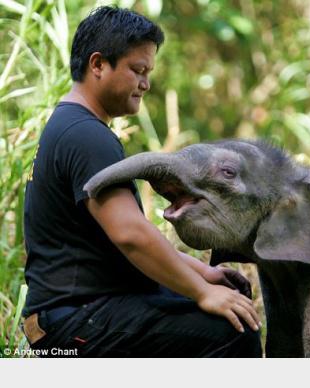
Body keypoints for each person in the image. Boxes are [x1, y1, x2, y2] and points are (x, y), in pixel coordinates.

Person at [22, 6, 262, 357]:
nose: (146, 84)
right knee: (230, 331)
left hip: (76, 313)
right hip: (72, 322)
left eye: (148, 72)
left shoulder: (69, 126)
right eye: (137, 71)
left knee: (225, 305)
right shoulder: (86, 136)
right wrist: (202, 292)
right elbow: (130, 234)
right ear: (98, 65)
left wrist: (202, 274)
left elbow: (118, 241)